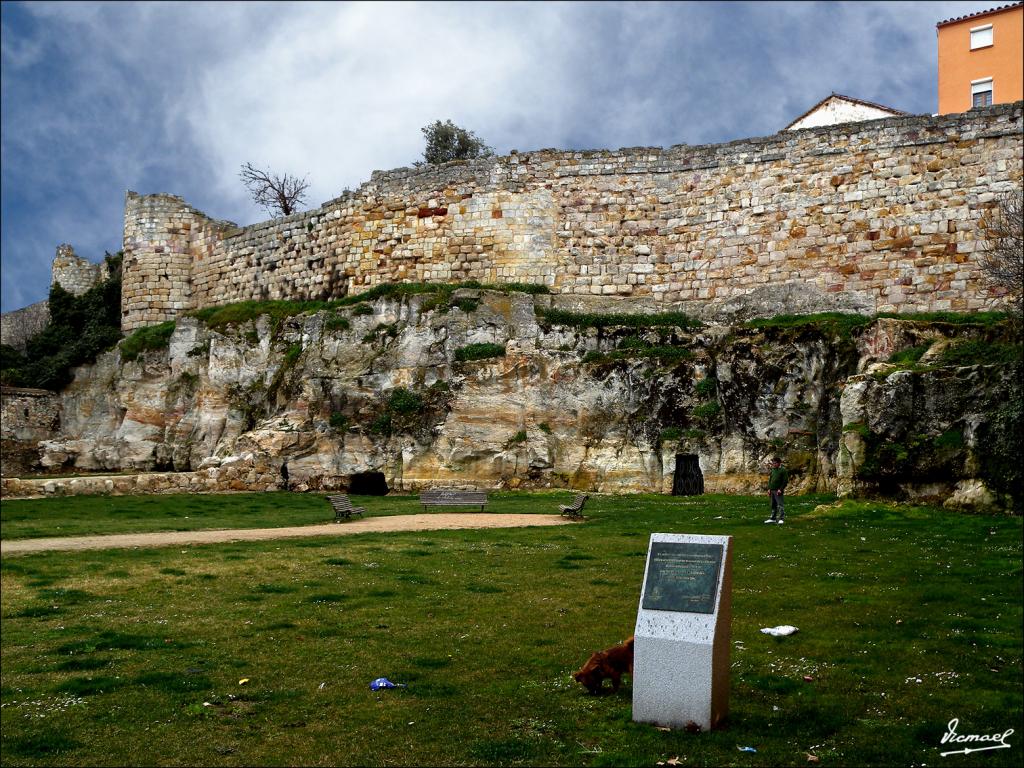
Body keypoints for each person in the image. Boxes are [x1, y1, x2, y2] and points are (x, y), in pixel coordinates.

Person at [764, 456, 789, 524]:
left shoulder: (783, 470)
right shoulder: (773, 470)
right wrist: (769, 488)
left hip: (778, 490)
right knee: (773, 504)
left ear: (779, 463)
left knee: (780, 504)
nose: (773, 464)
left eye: (775, 463)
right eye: (773, 463)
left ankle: (781, 518)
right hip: (772, 490)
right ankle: (773, 518)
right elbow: (770, 480)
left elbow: (785, 481)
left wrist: (780, 489)